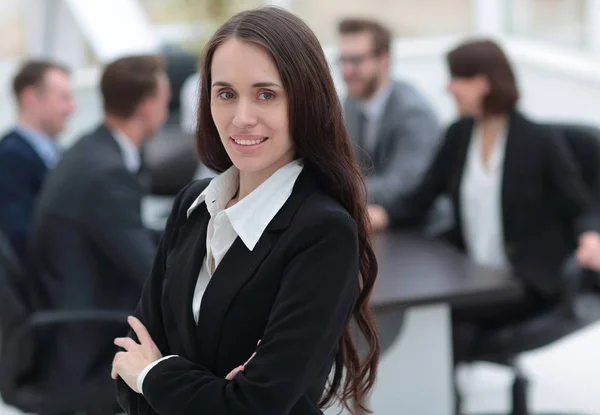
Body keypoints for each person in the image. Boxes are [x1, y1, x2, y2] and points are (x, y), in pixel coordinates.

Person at [112, 6, 380, 415]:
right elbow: (126, 369)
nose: (241, 118)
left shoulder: (322, 231)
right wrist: (193, 387)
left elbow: (253, 406)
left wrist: (153, 375)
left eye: (266, 94)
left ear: (305, 100)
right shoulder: (192, 205)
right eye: (225, 94)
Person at [370, 39, 600, 361]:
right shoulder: (459, 135)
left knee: (442, 323)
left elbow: (581, 203)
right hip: (472, 273)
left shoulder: (538, 141)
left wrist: (591, 236)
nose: (448, 88)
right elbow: (421, 197)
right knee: (429, 318)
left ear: (482, 83)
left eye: (456, 79)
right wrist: (381, 216)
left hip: (521, 279)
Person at [28, 54, 170, 411]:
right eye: (166, 99)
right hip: (85, 343)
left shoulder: (91, 149)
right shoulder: (107, 174)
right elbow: (149, 272)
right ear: (148, 106)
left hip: (67, 311)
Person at [337, 18, 447, 231]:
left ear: (384, 59)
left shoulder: (414, 113)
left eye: (356, 61)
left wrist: (334, 190)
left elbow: (403, 185)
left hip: (420, 233)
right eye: (342, 60)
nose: (346, 71)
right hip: (374, 224)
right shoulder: (352, 102)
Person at [0, 60, 75, 260]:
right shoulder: (9, 157)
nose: (72, 107)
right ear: (30, 97)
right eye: (63, 97)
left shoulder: (58, 152)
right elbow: (20, 237)